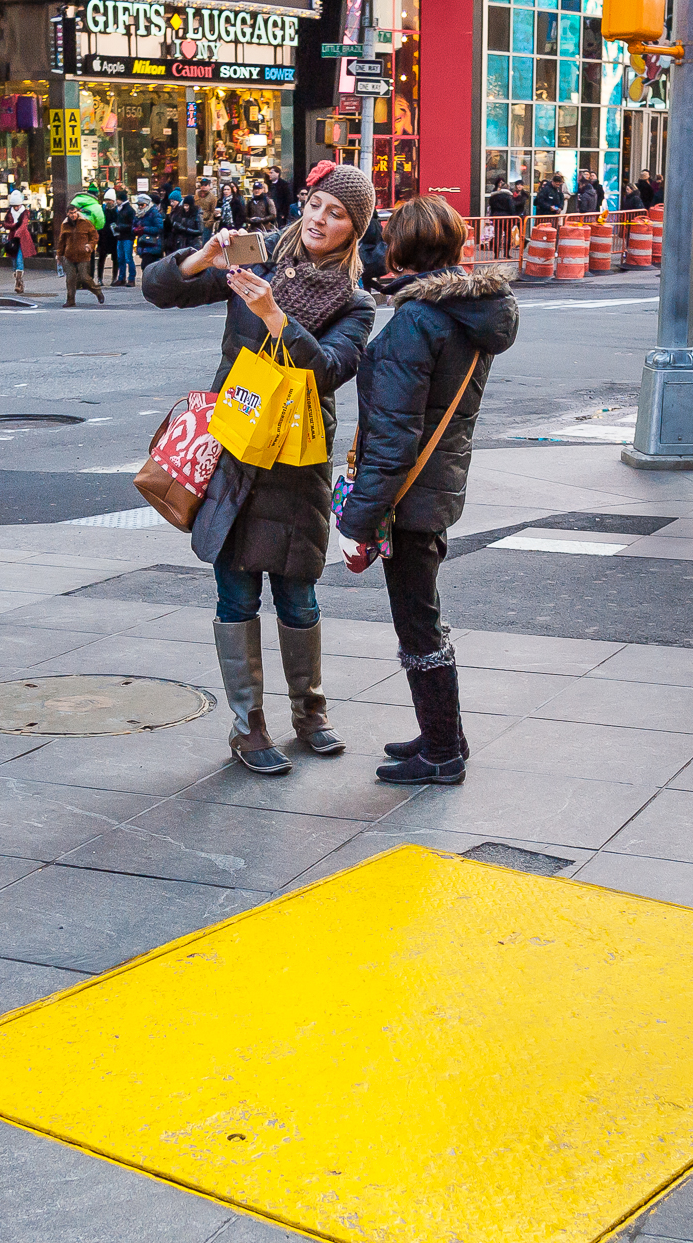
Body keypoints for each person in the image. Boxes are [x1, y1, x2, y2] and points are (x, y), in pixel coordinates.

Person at [142, 163, 378, 776]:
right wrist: (203, 257)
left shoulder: (355, 300)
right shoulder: (259, 260)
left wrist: (277, 316)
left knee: (298, 592)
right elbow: (159, 290)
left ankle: (311, 712)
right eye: (317, 206)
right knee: (237, 589)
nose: (321, 220)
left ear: (354, 230)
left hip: (298, 461)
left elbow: (330, 368)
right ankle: (248, 727)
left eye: (337, 215)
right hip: (235, 451)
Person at [337, 196, 518, 786]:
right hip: (437, 485)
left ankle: (441, 752)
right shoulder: (468, 312)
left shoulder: (417, 320)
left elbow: (394, 435)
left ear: (402, 249)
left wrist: (359, 519)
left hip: (410, 495)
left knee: (417, 620)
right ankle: (443, 734)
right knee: (423, 614)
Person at [55, 196, 103, 306]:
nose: (73, 215)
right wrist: (59, 255)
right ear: (67, 214)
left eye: (75, 212)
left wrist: (90, 246)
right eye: (71, 213)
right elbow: (62, 241)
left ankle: (97, 291)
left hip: (83, 255)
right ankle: (70, 300)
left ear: (78, 212)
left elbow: (94, 236)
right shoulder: (65, 225)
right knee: (70, 279)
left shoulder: (85, 223)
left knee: (84, 278)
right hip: (69, 255)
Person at [104, 189, 132, 288]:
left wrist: (119, 228)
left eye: (117, 199)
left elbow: (131, 225)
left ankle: (131, 278)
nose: (116, 201)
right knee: (121, 258)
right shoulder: (119, 209)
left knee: (128, 258)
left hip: (127, 237)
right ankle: (121, 278)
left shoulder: (128, 210)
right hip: (120, 237)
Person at [167, 191, 204, 259]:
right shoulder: (182, 213)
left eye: (187, 206)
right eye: (184, 205)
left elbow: (200, 231)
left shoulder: (197, 214)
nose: (185, 208)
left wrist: (185, 229)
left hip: (194, 243)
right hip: (183, 243)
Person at [134, 193, 164, 270]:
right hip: (143, 243)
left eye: (142, 205)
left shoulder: (154, 212)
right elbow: (133, 225)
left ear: (147, 204)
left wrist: (144, 229)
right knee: (147, 267)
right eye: (138, 205)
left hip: (153, 244)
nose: (140, 207)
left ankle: (150, 281)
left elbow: (159, 228)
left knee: (146, 266)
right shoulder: (138, 214)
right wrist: (135, 230)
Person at [94, 195, 117, 285]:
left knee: (115, 258)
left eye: (109, 200)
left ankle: (114, 278)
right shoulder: (102, 210)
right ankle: (100, 278)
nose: (108, 202)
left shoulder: (117, 210)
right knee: (101, 258)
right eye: (106, 200)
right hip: (103, 237)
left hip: (114, 238)